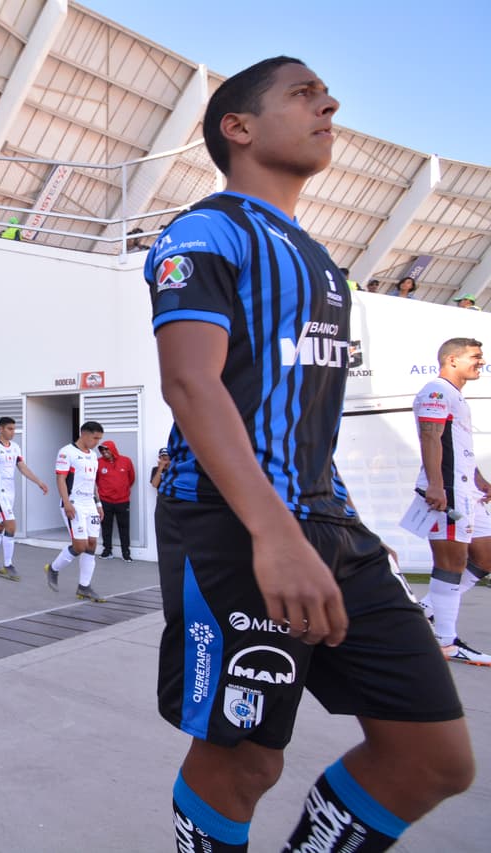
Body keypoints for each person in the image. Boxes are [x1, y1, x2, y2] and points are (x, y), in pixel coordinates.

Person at [145, 56, 471, 852]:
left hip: (329, 524)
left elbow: (301, 419)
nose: (329, 104)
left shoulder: (323, 261)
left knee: (434, 758)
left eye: (325, 94)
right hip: (231, 523)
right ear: (238, 127)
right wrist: (276, 533)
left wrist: (334, 527)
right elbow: (190, 383)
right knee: (246, 760)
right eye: (303, 94)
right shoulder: (203, 232)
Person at [405, 337, 491, 665]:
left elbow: (456, 444)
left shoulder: (454, 395)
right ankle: (446, 642)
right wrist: (437, 485)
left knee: (485, 555)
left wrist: (479, 478)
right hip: (449, 491)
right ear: (452, 360)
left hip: (466, 489)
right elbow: (431, 437)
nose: (481, 361)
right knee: (450, 564)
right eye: (475, 356)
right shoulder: (437, 391)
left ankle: (427, 608)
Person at [0, 416, 49, 579]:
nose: (13, 432)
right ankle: (8, 564)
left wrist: (38, 482)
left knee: (0, 524)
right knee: (11, 526)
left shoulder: (16, 447)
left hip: (11, 492)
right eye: (9, 429)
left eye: (14, 429)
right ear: (0, 429)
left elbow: (22, 467)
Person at [43, 422, 106, 601]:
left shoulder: (93, 456)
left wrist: (99, 504)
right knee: (80, 546)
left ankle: (84, 587)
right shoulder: (66, 452)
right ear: (84, 434)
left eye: (99, 439)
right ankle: (53, 569)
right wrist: (66, 502)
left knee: (92, 544)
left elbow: (93, 482)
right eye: (95, 438)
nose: (97, 442)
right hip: (74, 503)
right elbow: (61, 479)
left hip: (90, 504)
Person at [96, 439, 136, 561]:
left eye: (106, 449)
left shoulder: (126, 461)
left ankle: (126, 552)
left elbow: (131, 478)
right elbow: (95, 480)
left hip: (122, 501)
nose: (104, 452)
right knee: (106, 527)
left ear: (112, 449)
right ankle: (107, 551)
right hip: (105, 501)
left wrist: (122, 489)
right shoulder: (98, 462)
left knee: (124, 527)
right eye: (102, 450)